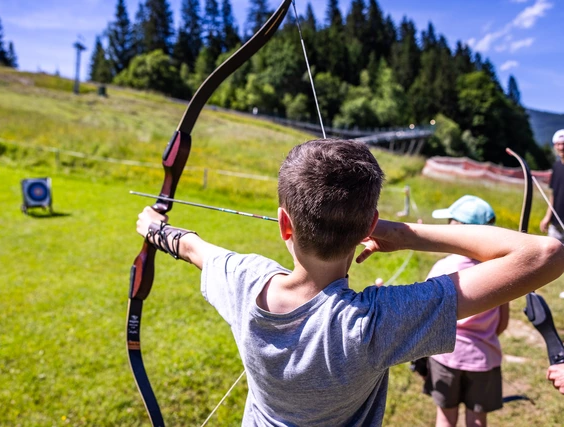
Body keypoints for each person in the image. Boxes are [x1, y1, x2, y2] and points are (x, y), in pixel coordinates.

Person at [136, 139, 564, 426]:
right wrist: (403, 234)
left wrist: (154, 227)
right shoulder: (378, 322)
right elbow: (545, 254)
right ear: (370, 226)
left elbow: (192, 247)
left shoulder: (245, 281)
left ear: (285, 224)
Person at [422, 195, 509, 427]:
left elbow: (427, 315)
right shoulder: (499, 272)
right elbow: (502, 323)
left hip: (446, 356)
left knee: (445, 417)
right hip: (484, 358)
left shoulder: (443, 268)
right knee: (478, 419)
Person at [539, 129, 564, 242]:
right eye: (558, 144)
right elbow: (553, 194)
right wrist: (547, 216)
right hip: (555, 224)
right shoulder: (556, 167)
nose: (561, 147)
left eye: (563, 144)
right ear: (555, 146)